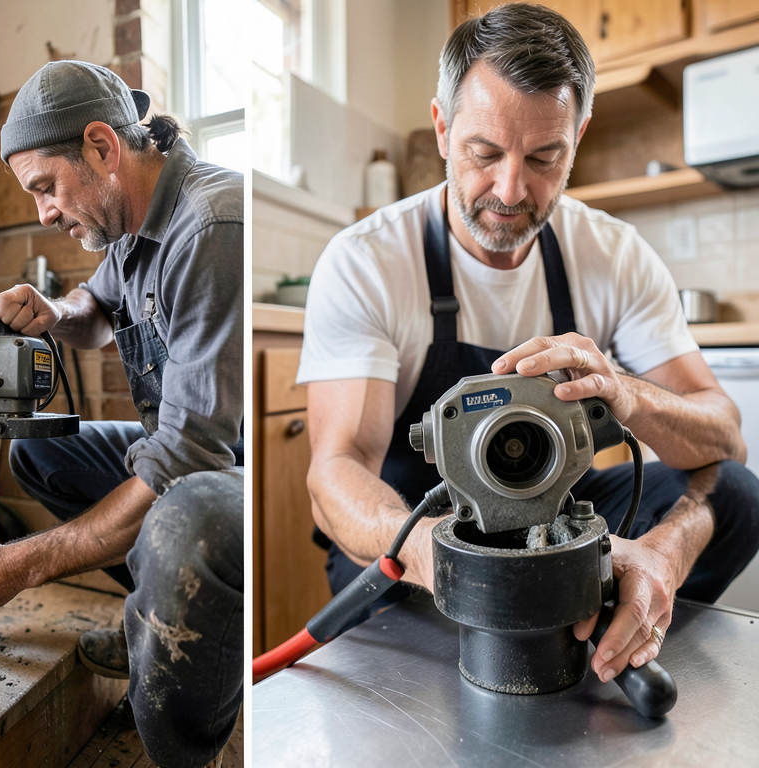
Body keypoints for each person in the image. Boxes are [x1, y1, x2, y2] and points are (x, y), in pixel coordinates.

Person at [300, 2, 759, 689]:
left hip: (558, 515)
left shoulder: (614, 254)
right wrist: (449, 561)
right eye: (484, 153)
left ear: (578, 137)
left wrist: (628, 400)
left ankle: (625, 612)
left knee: (736, 494)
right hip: (419, 534)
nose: (511, 189)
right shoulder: (366, 261)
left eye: (546, 157)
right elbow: (334, 472)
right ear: (442, 128)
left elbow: (725, 433)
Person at [0, 61, 243, 768]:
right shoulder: (127, 220)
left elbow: (184, 465)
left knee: (186, 519)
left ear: (101, 146)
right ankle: (163, 615)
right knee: (43, 451)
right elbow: (96, 310)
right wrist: (54, 312)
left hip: (236, 482)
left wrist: (15, 565)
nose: (43, 213)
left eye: (45, 187)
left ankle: (188, 730)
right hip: (187, 463)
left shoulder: (212, 225)